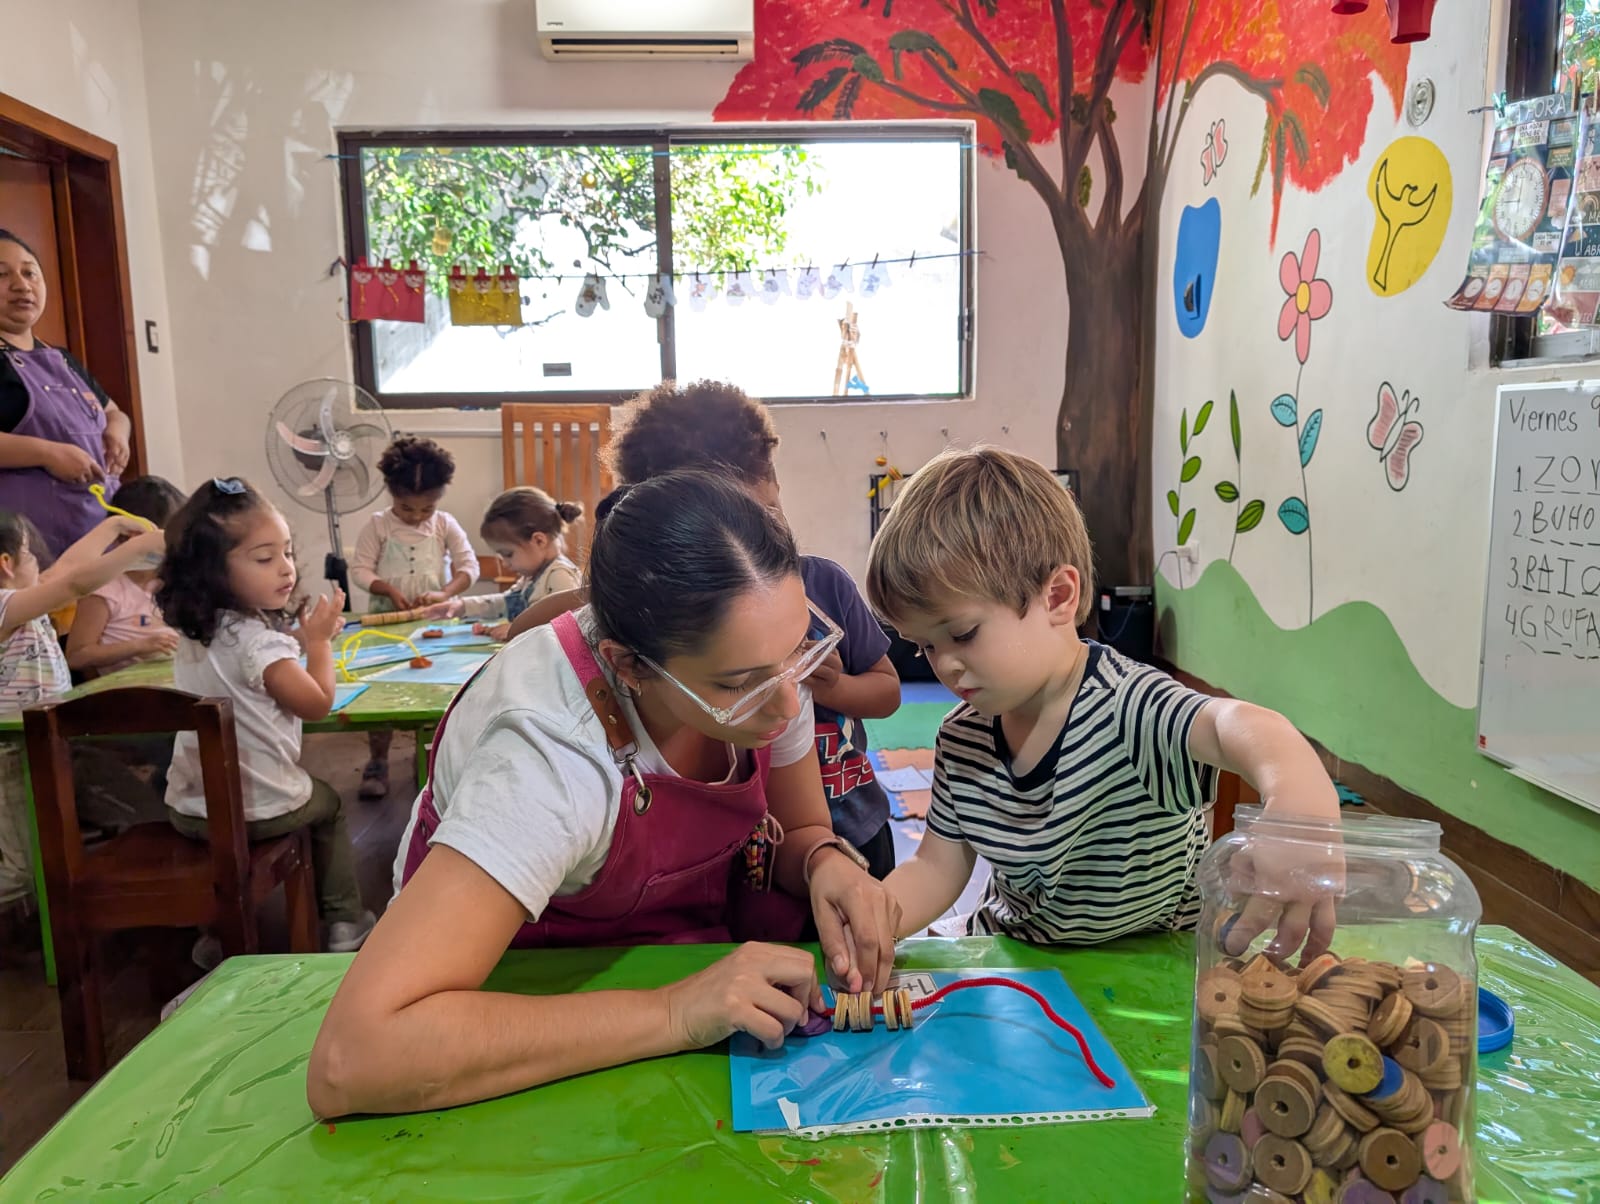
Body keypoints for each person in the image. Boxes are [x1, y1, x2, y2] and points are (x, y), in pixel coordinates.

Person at [307, 471, 899, 1118]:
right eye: (739, 684)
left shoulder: (763, 665)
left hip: (687, 968)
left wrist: (824, 861)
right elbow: (354, 1060)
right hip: (516, 1019)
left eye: (797, 654)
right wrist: (675, 1010)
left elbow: (802, 827)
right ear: (627, 666)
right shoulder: (548, 750)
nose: (790, 704)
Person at [865, 448, 1341, 960]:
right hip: (1018, 956)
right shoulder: (962, 736)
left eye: (963, 633)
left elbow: (1240, 725)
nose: (945, 665)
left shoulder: (1130, 707)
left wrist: (1301, 815)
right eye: (925, 646)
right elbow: (937, 867)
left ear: (1057, 597)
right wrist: (874, 917)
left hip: (1151, 963)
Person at [501, 380, 903, 878]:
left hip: (834, 822)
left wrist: (836, 685)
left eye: (766, 514)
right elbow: (535, 634)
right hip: (721, 851)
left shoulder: (816, 591)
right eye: (737, 679)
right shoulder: (594, 656)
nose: (747, 543)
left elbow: (881, 698)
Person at [156, 478, 374, 959]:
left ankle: (216, 938)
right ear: (214, 570)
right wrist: (318, 645)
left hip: (191, 807)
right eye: (264, 558)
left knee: (224, 839)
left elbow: (253, 671)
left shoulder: (197, 632)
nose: (287, 569)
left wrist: (296, 642)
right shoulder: (260, 643)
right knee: (332, 806)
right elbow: (317, 702)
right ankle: (344, 921)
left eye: (288, 553)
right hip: (260, 806)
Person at [0, 512, 166, 904]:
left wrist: (109, 530)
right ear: (6, 565)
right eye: (30, 554)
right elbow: (73, 582)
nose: (41, 564)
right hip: (9, 758)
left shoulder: (23, 601)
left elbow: (69, 570)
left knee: (135, 816)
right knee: (21, 869)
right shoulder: (4, 606)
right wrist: (136, 548)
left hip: (53, 747)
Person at [351, 436, 479, 798]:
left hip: (432, 622)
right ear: (392, 495)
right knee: (379, 689)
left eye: (427, 508)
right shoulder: (378, 526)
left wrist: (444, 593)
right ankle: (378, 759)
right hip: (385, 622)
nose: (417, 516)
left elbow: (468, 566)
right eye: (408, 509)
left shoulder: (444, 525)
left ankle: (431, 756)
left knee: (434, 686)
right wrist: (387, 590)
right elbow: (360, 570)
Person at [0, 230, 135, 558]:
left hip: (97, 533)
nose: (22, 284)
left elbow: (114, 411)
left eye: (30, 272)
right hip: (26, 551)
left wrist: (117, 433)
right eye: (2, 274)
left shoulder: (61, 358)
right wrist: (46, 453)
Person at [66, 475, 186, 677]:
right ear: (134, 535)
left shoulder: (177, 581)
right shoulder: (104, 588)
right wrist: (138, 646)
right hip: (127, 694)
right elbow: (76, 656)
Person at [431, 487, 582, 642]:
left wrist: (517, 629)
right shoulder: (533, 576)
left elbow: (567, 627)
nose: (504, 563)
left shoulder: (560, 576)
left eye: (508, 554)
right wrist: (461, 606)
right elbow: (504, 603)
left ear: (539, 541)